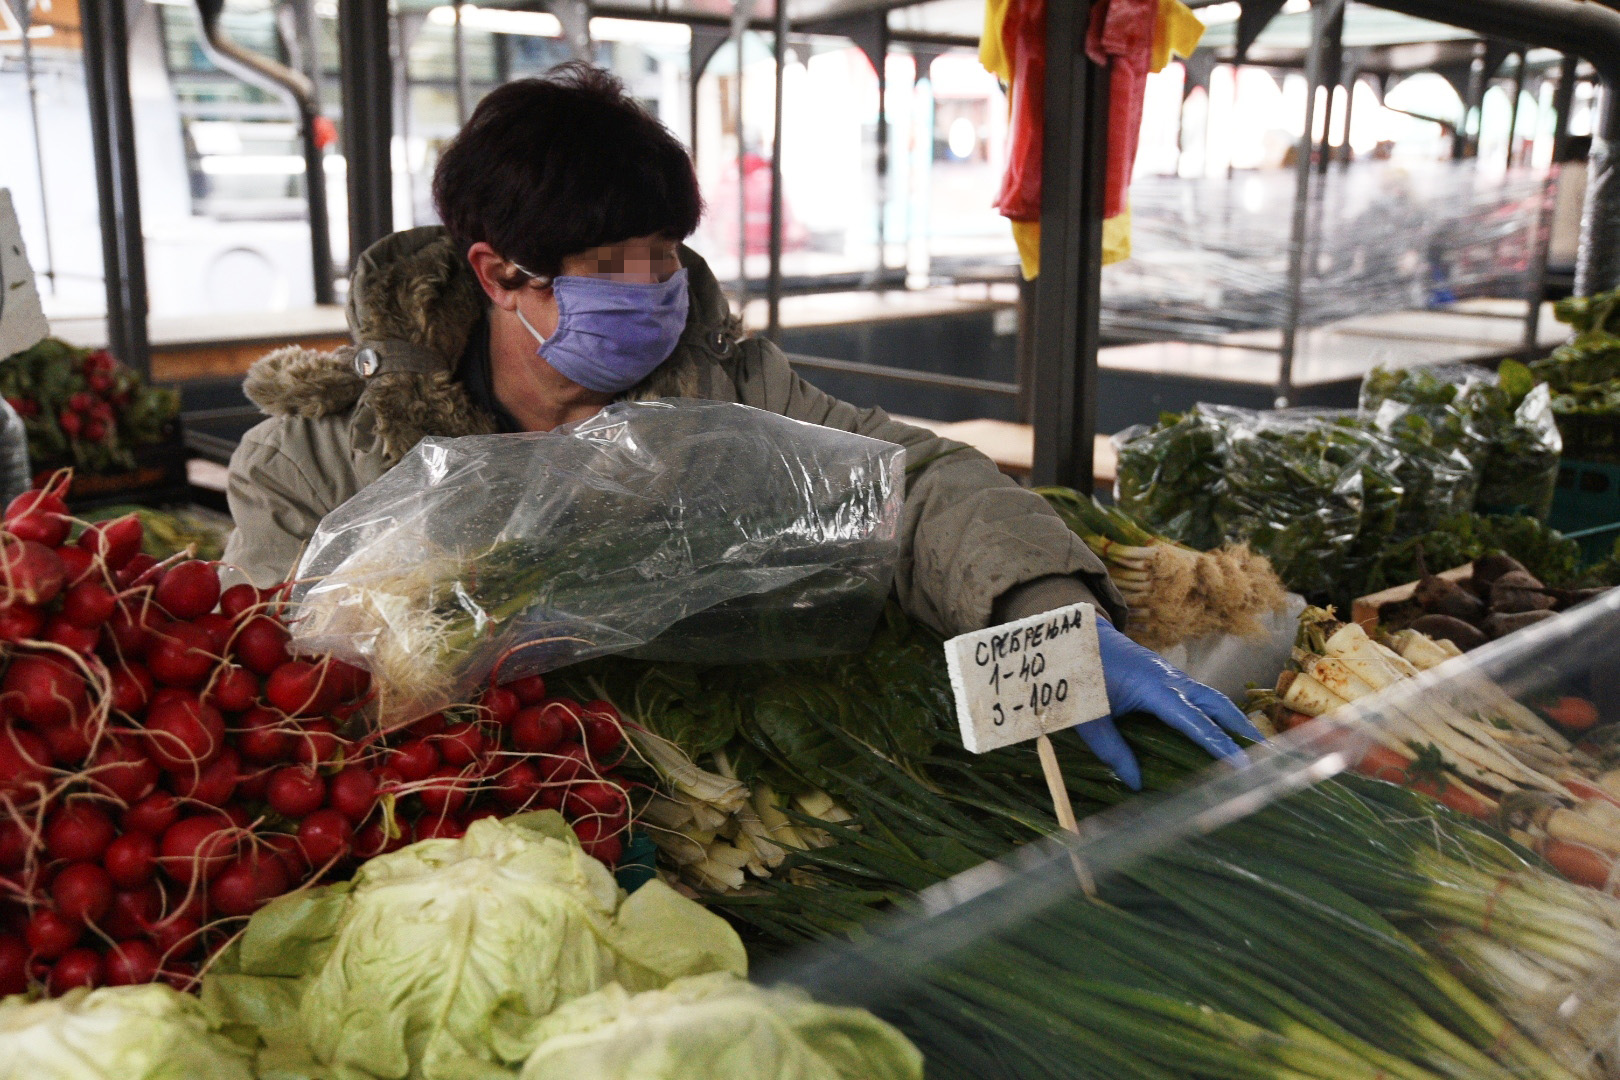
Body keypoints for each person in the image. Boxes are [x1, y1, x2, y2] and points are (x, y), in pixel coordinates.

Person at [223, 62, 1257, 787]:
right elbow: (262, 687)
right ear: (499, 272)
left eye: (667, 252)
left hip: (714, 795)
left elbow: (910, 484)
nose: (658, 286)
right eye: (615, 267)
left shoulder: (732, 392)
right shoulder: (317, 458)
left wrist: (1043, 612)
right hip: (482, 821)